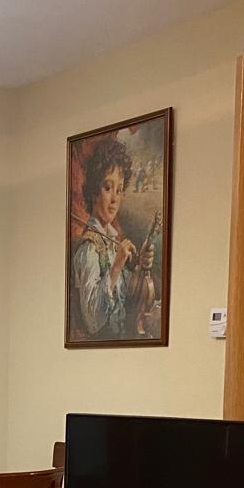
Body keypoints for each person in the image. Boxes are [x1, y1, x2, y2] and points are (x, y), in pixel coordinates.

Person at [70, 138, 153, 341]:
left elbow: (126, 299)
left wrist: (140, 268)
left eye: (119, 189)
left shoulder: (112, 243)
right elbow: (93, 320)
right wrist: (116, 266)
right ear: (94, 192)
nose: (115, 199)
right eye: (108, 188)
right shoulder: (89, 249)